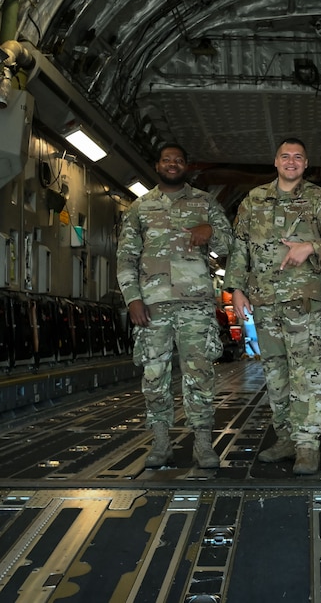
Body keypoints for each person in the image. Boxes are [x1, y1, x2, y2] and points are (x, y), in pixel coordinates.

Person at [224, 138, 321, 475]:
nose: (291, 161)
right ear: (276, 161)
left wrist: (311, 247)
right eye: (285, 156)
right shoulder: (253, 200)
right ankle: (285, 439)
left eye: (298, 157)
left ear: (306, 163)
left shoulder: (317, 199)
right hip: (264, 303)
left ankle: (307, 446)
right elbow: (240, 247)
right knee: (275, 375)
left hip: (301, 304)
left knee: (305, 374)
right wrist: (235, 288)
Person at [116, 142, 233, 469]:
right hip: (152, 307)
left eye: (178, 160)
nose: (172, 164)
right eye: (167, 160)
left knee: (199, 374)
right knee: (154, 375)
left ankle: (203, 444)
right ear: (158, 165)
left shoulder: (204, 202)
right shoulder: (140, 208)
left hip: (195, 304)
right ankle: (161, 442)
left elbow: (228, 245)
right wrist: (133, 298)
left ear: (186, 166)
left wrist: (210, 229)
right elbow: (125, 257)